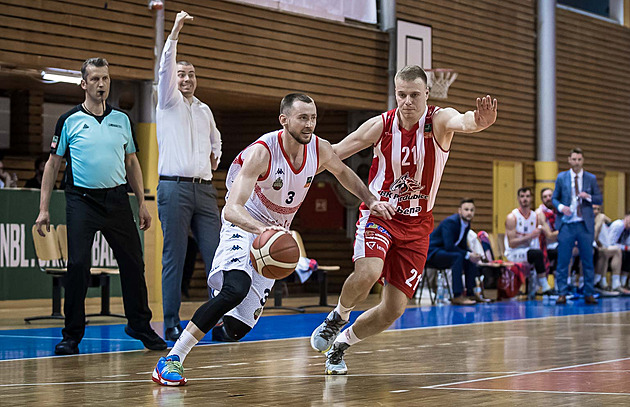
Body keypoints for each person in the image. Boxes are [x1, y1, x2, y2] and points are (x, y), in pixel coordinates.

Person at [151, 93, 395, 386]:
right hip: (245, 225)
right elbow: (231, 209)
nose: (309, 124)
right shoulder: (263, 152)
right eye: (303, 118)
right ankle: (171, 359)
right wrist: (263, 232)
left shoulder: (320, 149)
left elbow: (344, 173)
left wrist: (371, 199)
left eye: (313, 118)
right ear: (284, 120)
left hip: (275, 234)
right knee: (235, 289)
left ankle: (218, 309)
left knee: (236, 329)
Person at [310, 65, 498, 375]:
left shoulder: (437, 121)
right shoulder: (380, 125)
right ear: (395, 94)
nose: (407, 101)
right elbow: (336, 153)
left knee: (393, 309)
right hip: (380, 215)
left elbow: (462, 120)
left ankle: (341, 344)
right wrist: (299, 171)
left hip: (417, 226)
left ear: (426, 93)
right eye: (401, 95)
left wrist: (480, 121)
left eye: (413, 95)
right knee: (369, 271)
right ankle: (337, 317)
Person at [35, 57, 166, 355]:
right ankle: (71, 335)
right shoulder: (68, 121)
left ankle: (140, 325)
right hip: (81, 201)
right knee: (78, 265)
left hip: (118, 200)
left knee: (134, 262)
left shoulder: (122, 119)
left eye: (105, 78)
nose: (101, 84)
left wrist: (142, 204)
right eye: (94, 79)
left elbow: (132, 161)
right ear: (83, 84)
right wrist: (43, 209)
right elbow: (53, 164)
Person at [157, 11, 223, 341]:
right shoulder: (167, 101)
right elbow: (166, 64)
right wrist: (176, 30)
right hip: (174, 189)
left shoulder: (204, 109)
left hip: (204, 190)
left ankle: (218, 320)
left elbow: (216, 138)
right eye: (181, 74)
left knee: (219, 254)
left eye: (191, 74)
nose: (186, 79)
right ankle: (170, 320)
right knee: (176, 256)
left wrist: (216, 155)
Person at [552, 147, 602, 305]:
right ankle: (562, 292)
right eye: (574, 159)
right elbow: (554, 199)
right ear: (569, 160)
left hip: (584, 224)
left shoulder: (590, 178)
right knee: (563, 260)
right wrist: (561, 208)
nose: (576, 162)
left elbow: (599, 199)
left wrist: (589, 197)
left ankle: (589, 292)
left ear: (583, 161)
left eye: (579, 159)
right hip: (567, 224)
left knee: (587, 259)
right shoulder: (562, 177)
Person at [426, 198, 487, 305]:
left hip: (445, 252)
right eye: (466, 209)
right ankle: (457, 295)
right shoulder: (450, 222)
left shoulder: (466, 224)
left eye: (472, 210)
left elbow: (462, 245)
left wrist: (472, 254)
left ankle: (471, 293)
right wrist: (468, 254)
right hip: (432, 254)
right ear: (460, 211)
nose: (469, 213)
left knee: (469, 260)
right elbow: (449, 246)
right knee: (459, 257)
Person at [504, 187, 553, 296]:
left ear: (531, 198)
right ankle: (544, 285)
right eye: (522, 196)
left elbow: (548, 234)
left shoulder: (536, 217)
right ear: (518, 198)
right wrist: (529, 236)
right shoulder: (512, 217)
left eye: (527, 196)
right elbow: (512, 243)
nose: (524, 199)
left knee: (548, 253)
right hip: (514, 252)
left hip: (529, 251)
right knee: (536, 254)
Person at [592, 204, 624, 295]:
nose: (597, 212)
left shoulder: (600, 219)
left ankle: (614, 283)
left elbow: (609, 221)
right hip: (588, 247)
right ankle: (598, 281)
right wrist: (601, 220)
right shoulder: (588, 220)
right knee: (604, 252)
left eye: (598, 209)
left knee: (615, 250)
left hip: (601, 246)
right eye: (594, 209)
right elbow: (594, 237)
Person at [536, 187, 558, 271]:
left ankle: (575, 279)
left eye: (550, 196)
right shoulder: (540, 213)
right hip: (547, 246)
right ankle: (559, 281)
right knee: (565, 251)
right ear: (542, 200)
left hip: (558, 243)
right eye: (545, 197)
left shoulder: (557, 211)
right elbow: (549, 235)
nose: (548, 198)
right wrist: (565, 231)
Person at [608, 211, 630, 289]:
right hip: (607, 248)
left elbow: (627, 243)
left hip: (619, 249)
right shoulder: (618, 225)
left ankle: (624, 282)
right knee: (620, 252)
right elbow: (610, 243)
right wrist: (626, 248)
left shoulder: (628, 230)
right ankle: (616, 282)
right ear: (626, 217)